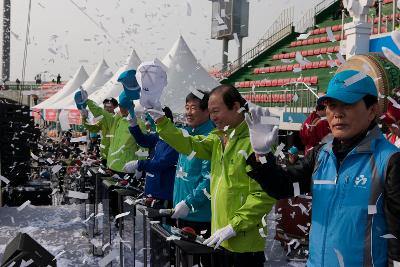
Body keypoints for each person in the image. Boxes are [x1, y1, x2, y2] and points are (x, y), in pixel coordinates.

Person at [245, 70, 400, 266]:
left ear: (371, 110)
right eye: (332, 105)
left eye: (348, 104)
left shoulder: (390, 161)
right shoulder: (321, 155)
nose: (337, 113)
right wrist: (262, 155)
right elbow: (281, 187)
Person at [141, 77, 275, 265]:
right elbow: (189, 144)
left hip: (244, 244)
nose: (213, 117)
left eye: (216, 111)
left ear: (236, 107)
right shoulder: (219, 138)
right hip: (219, 237)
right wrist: (160, 119)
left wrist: (234, 226)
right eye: (211, 112)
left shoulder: (256, 142)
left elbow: (265, 193)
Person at [123, 106, 178, 210]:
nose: (149, 123)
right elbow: (143, 140)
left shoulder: (174, 140)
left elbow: (161, 164)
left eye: (152, 120)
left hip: (163, 192)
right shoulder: (158, 136)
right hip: (152, 189)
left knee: (160, 223)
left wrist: (139, 164)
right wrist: (133, 125)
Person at [81, 97, 118, 167]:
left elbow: (100, 112)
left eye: (109, 106)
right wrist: (84, 118)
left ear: (115, 107)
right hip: (105, 154)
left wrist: (88, 101)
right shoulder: (103, 119)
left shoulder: (115, 118)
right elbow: (93, 128)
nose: (106, 108)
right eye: (105, 106)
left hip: (113, 155)